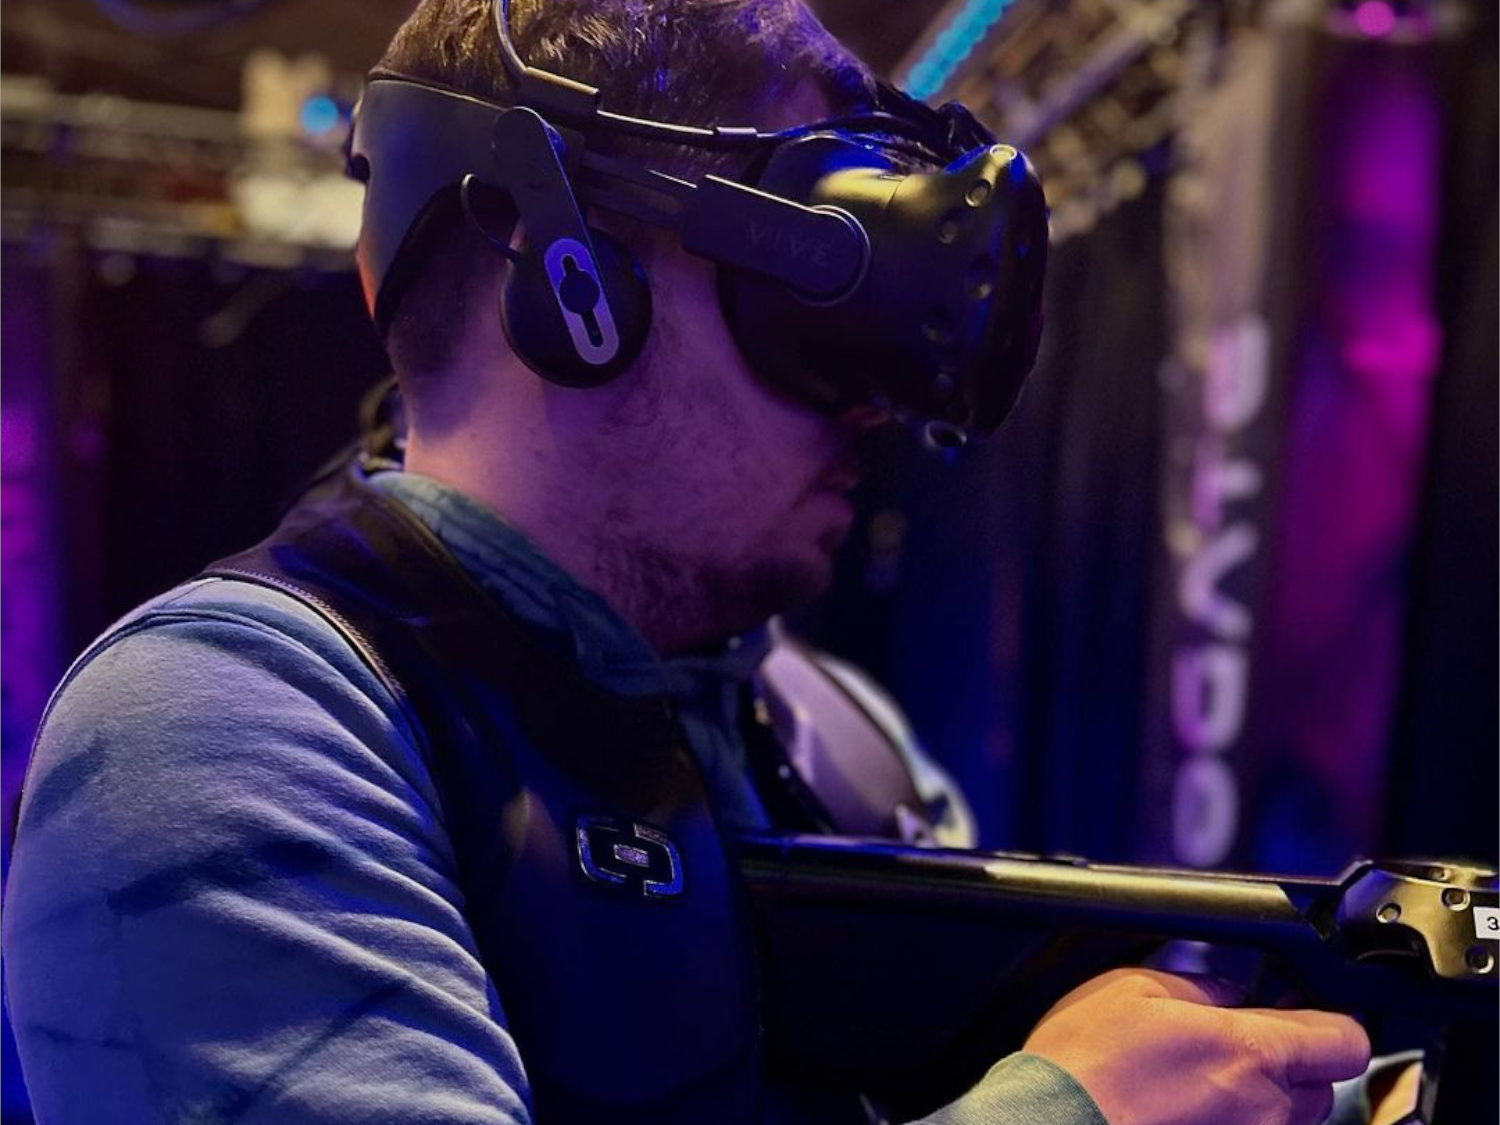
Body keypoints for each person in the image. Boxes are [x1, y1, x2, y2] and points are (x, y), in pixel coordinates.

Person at [4, 1, 1393, 1123]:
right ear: (573, 285)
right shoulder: (223, 731)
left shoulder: (839, 734)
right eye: (812, 314)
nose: (876, 405)